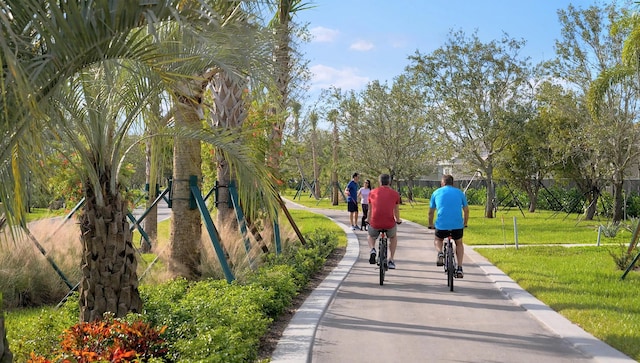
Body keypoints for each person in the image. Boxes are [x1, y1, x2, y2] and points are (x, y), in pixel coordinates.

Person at [428, 174, 469, 278]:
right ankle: (459, 268)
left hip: (442, 225)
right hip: (457, 225)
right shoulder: (459, 193)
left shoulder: (436, 192)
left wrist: (430, 224)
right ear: (453, 183)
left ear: (442, 183)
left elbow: (431, 212)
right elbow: (466, 210)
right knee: (459, 243)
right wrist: (465, 223)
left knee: (438, 239)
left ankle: (440, 253)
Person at [367, 174, 401, 269]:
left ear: (379, 182)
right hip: (389, 224)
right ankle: (391, 259)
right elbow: (396, 211)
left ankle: (373, 249)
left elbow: (370, 210)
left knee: (370, 235)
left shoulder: (372, 192)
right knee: (393, 237)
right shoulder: (395, 194)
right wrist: (398, 220)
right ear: (389, 182)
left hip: (375, 223)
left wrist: (367, 220)